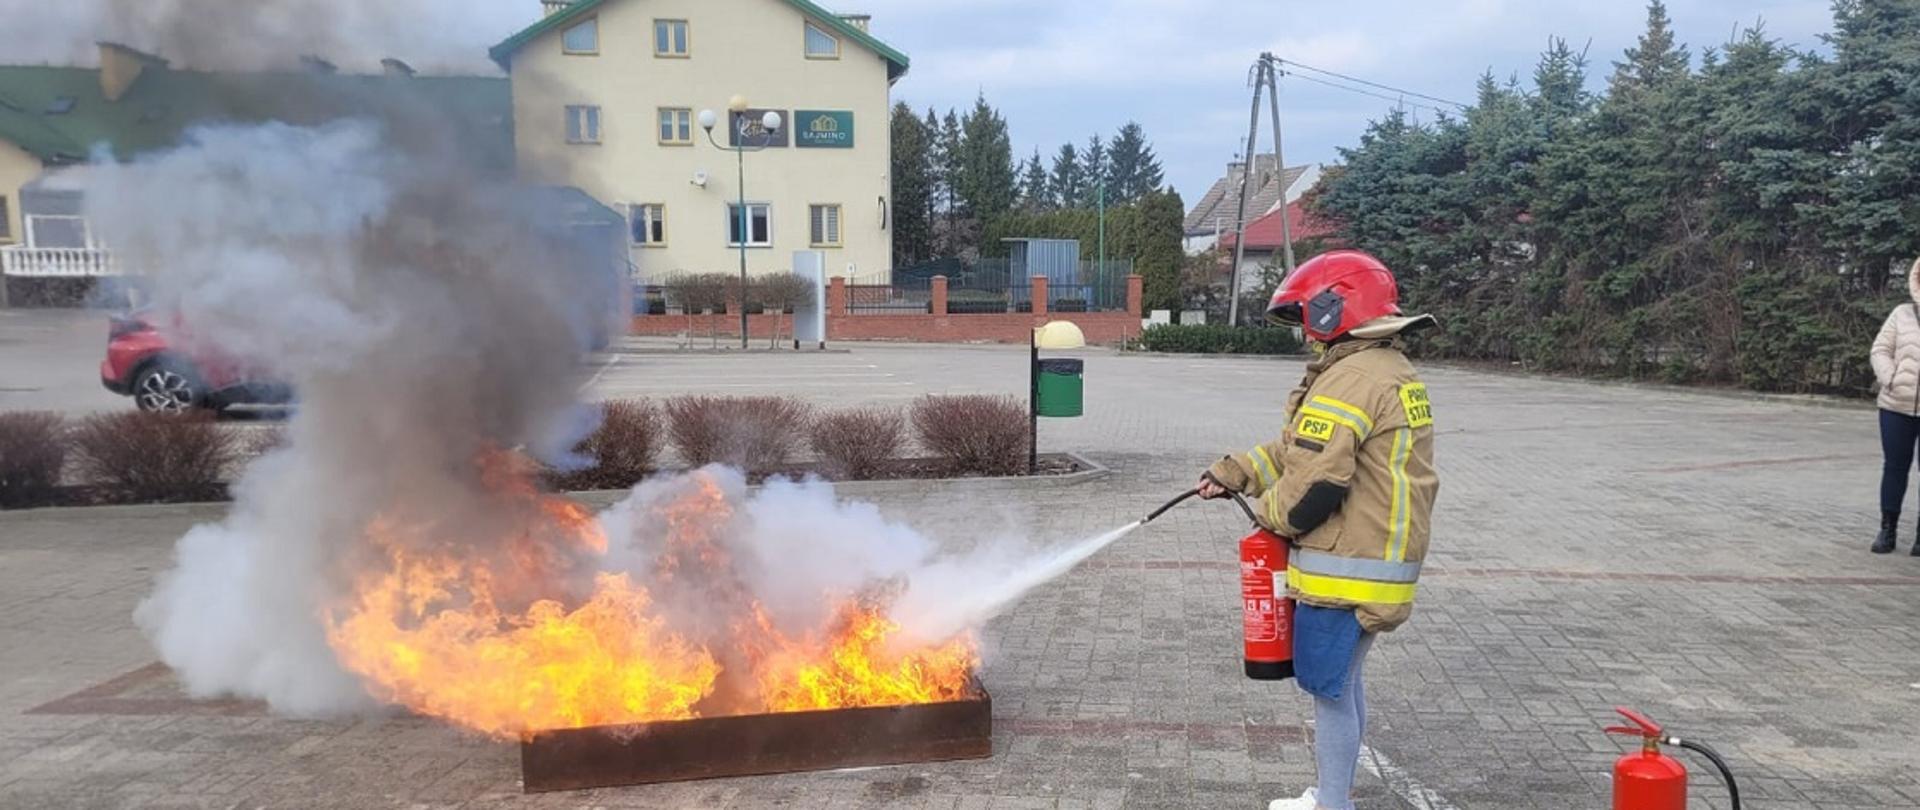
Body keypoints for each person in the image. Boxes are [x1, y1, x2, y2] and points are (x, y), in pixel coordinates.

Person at [1196, 250, 1439, 810]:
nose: (1306, 333)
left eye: (1308, 317)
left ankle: (1332, 804)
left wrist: (1268, 519)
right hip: (1376, 562)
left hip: (1346, 569)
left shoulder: (1350, 379)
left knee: (1328, 689)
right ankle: (1332, 795)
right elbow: (1295, 449)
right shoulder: (1385, 369)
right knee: (1345, 683)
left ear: (1334, 310)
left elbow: (1318, 478)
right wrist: (1234, 472)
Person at [1869, 258, 1920, 555]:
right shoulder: (1901, 314)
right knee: (1895, 467)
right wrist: (1890, 378)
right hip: (1895, 406)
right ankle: (1887, 529)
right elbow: (1880, 350)